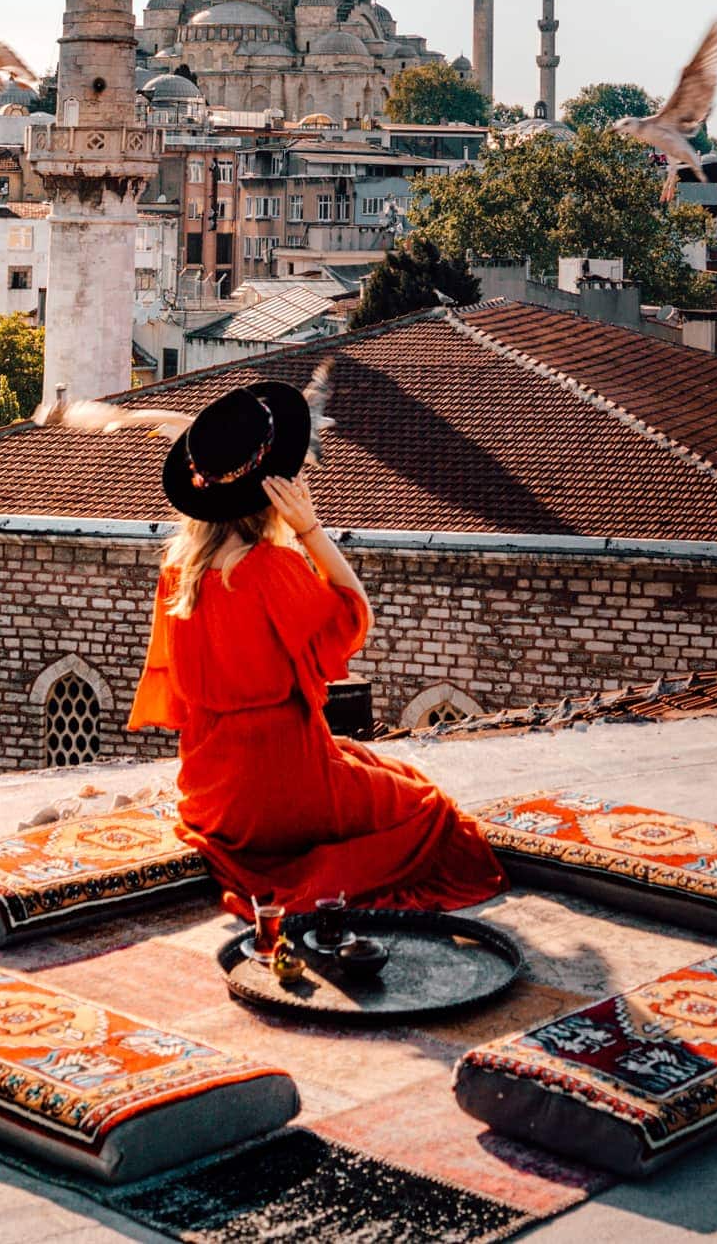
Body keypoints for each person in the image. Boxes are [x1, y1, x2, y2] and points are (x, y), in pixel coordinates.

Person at [128, 378, 505, 916]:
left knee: (375, 763)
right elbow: (354, 617)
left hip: (210, 795)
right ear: (275, 487)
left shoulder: (177, 571)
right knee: (431, 810)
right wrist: (310, 530)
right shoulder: (268, 567)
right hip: (282, 789)